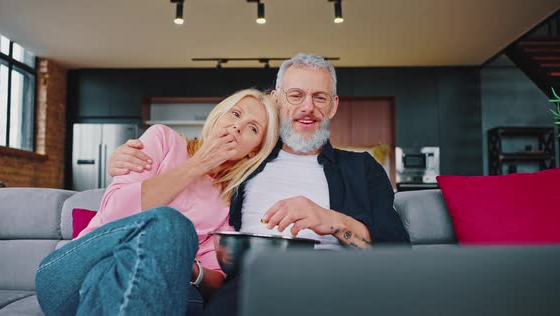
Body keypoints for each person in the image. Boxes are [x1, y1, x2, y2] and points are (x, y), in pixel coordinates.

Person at [108, 53, 410, 315]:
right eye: (296, 95)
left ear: (333, 106)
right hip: (250, 281)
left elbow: (396, 253)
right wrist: (126, 161)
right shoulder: (244, 162)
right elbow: (186, 189)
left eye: (320, 97)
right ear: (278, 100)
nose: (308, 107)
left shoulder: (361, 168)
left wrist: (330, 220)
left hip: (338, 280)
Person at [35, 89, 279, 316]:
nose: (237, 126)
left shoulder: (229, 201)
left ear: (253, 151)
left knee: (123, 276)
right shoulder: (163, 139)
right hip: (71, 273)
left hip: (124, 284)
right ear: (218, 116)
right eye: (235, 114)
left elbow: (215, 280)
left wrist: (182, 259)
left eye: (252, 128)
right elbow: (114, 214)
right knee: (170, 223)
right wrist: (199, 165)